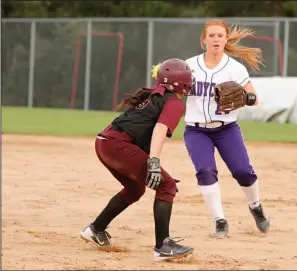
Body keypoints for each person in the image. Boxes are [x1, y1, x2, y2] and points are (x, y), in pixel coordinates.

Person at [80, 58, 195, 262]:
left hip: (104, 142)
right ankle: (163, 246)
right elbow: (159, 130)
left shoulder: (153, 94)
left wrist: (152, 165)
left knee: (135, 189)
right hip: (118, 145)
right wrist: (154, 163)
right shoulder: (174, 103)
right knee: (166, 186)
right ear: (182, 82)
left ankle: (96, 229)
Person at [183, 19, 270, 238]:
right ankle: (219, 220)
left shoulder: (234, 68)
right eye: (211, 36)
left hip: (226, 129)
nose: (216, 40)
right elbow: (173, 91)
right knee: (205, 171)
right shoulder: (189, 66)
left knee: (243, 172)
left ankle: (255, 206)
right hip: (196, 130)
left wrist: (244, 97)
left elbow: (254, 98)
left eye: (220, 36)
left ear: (226, 39)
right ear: (203, 40)